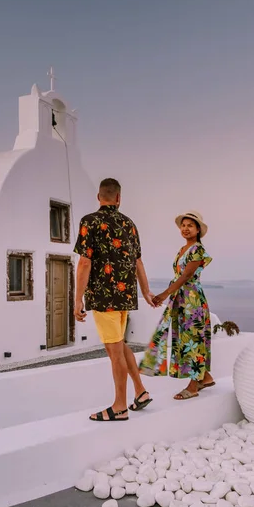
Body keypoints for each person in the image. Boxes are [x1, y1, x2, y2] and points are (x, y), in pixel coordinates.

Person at [74, 178, 154, 422]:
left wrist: (77, 299)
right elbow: (138, 262)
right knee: (119, 345)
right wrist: (146, 292)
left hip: (103, 296)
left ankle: (119, 407)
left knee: (114, 352)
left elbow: (85, 262)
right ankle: (140, 392)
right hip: (125, 296)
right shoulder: (129, 224)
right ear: (119, 198)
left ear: (99, 197)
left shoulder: (90, 222)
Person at [139, 211, 214, 400]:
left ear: (198, 230)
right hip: (181, 299)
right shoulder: (183, 249)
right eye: (183, 225)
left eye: (190, 225)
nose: (185, 229)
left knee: (193, 340)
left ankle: (193, 386)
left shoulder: (197, 249)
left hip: (191, 300)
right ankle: (204, 377)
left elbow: (186, 276)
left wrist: (165, 294)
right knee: (185, 338)